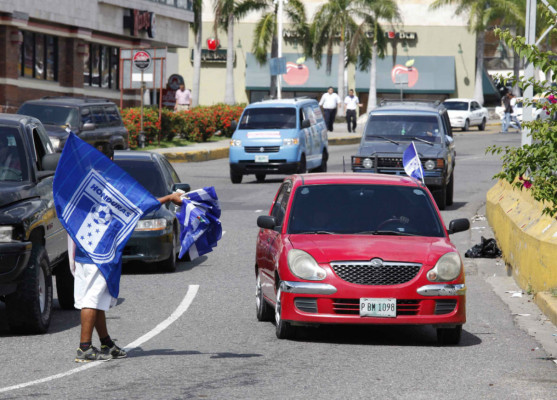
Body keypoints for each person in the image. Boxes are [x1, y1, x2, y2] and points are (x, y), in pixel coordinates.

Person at [72, 143, 184, 363]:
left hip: (83, 247)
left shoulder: (82, 182)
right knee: (92, 299)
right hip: (101, 252)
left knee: (98, 299)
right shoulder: (115, 186)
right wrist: (169, 198)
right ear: (111, 161)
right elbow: (141, 205)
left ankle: (106, 343)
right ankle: (84, 348)